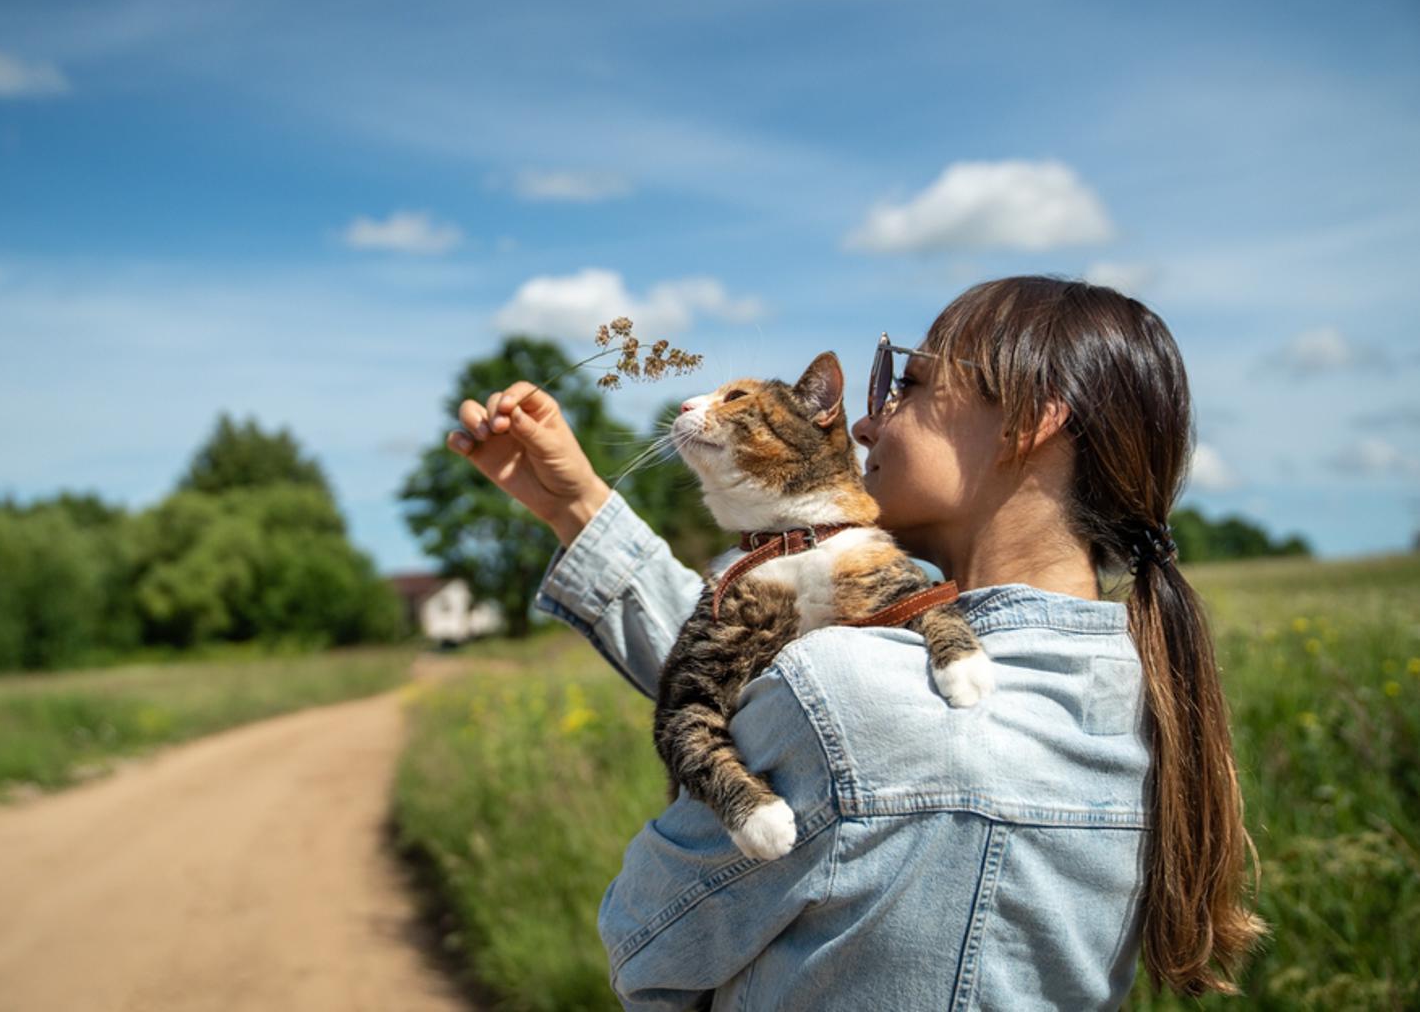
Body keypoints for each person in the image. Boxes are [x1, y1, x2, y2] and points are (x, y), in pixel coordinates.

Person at [445, 276, 1267, 1009]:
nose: (869, 423)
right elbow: (760, 669)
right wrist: (578, 504)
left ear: (1030, 420)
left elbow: (646, 939)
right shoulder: (1142, 691)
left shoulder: (854, 696)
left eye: (908, 383)